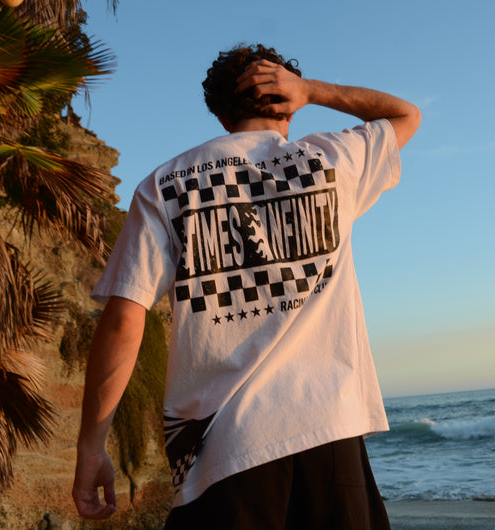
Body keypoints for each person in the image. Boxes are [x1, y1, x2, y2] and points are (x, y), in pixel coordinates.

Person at [72, 43, 421, 529]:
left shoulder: (166, 185)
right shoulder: (331, 161)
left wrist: (91, 447)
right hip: (330, 434)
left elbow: (123, 321)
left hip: (223, 448)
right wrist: (312, 90)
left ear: (220, 114)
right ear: (289, 104)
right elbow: (406, 115)